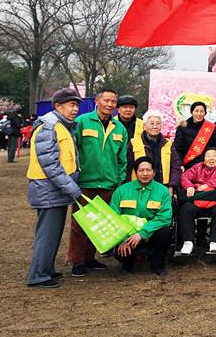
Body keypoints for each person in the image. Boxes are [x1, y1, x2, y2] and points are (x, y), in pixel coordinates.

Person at [26, 88, 84, 288]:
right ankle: (39, 275)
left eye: (76, 105)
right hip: (48, 190)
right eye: (71, 104)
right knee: (47, 234)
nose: (75, 109)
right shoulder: (49, 127)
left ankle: (46, 269)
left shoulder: (63, 126)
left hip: (56, 191)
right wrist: (72, 188)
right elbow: (50, 165)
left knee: (53, 234)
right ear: (58, 106)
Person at [68, 88, 128, 278]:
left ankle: (89, 258)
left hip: (109, 183)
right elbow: (72, 152)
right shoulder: (82, 122)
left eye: (113, 102)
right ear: (97, 101)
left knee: (100, 223)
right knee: (80, 223)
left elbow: (122, 159)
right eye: (107, 100)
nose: (110, 105)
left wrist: (118, 180)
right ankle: (77, 261)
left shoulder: (119, 128)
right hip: (85, 182)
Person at [110, 156, 173, 275]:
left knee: (165, 231)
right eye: (141, 170)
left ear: (154, 172)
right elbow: (113, 217)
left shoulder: (163, 191)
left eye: (148, 170)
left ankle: (157, 264)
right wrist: (122, 240)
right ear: (135, 172)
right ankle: (128, 263)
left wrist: (142, 233)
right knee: (121, 254)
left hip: (151, 234)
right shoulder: (121, 190)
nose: (145, 173)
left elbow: (164, 218)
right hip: (128, 236)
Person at [177, 147, 216, 255]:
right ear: (203, 159)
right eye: (208, 156)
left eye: (214, 155)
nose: (211, 158)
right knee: (186, 209)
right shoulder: (198, 167)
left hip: (215, 202)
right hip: (197, 201)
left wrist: (208, 185)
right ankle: (188, 242)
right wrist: (189, 186)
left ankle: (215, 242)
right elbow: (184, 176)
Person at [129, 110, 181, 195]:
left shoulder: (168, 143)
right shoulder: (133, 143)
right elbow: (128, 167)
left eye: (158, 123)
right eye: (152, 123)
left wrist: (171, 186)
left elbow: (175, 167)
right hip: (139, 188)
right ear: (144, 126)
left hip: (163, 187)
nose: (155, 126)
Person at [174, 101, 216, 170]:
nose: (199, 114)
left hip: (208, 166)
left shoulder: (211, 127)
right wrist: (180, 164)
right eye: (196, 111)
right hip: (188, 166)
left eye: (202, 111)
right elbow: (177, 149)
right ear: (192, 112)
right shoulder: (182, 128)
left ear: (205, 113)